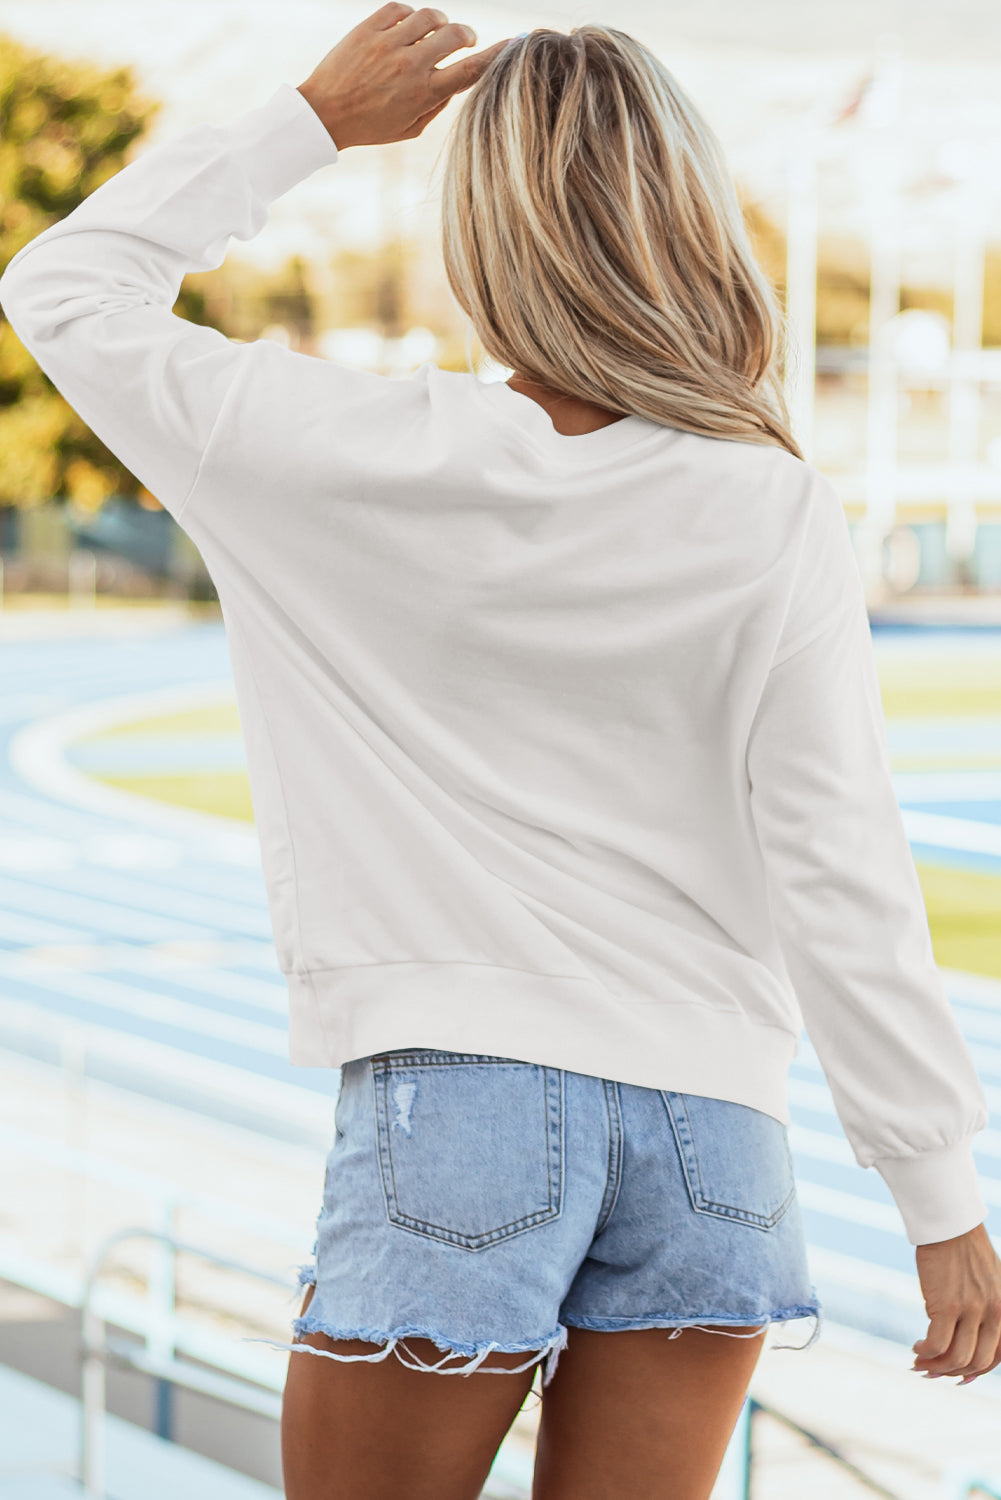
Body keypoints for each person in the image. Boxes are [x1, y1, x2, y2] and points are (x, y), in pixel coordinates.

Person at [1, 7, 999, 1498]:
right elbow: (838, 860)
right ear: (684, 218)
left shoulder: (334, 453)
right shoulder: (769, 503)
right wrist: (937, 1199)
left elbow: (68, 286)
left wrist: (310, 120)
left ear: (483, 229)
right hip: (717, 1128)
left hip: (457, 1107)